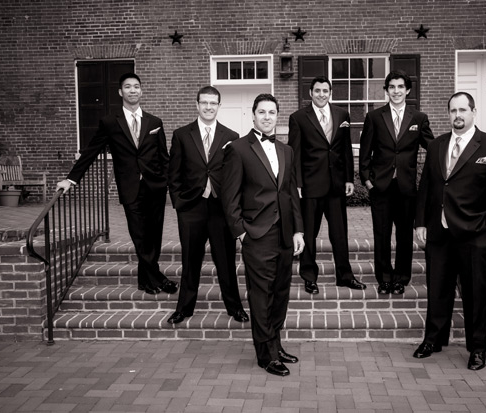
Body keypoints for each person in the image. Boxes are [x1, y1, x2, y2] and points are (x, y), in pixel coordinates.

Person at [413, 92, 486, 370]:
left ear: (473, 112)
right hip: (439, 233)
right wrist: (421, 222)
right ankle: (433, 339)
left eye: (463, 110)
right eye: (453, 110)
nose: (458, 115)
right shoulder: (436, 146)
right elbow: (427, 187)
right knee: (438, 290)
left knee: (475, 295)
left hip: (474, 234)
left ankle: (477, 349)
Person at [57, 73, 177, 296]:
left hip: (155, 187)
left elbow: (164, 156)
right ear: (121, 92)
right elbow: (91, 151)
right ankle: (158, 276)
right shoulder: (110, 122)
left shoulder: (155, 122)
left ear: (141, 91)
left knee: (154, 235)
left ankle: (146, 281)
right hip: (130, 187)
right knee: (139, 234)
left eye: (136, 87)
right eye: (128, 87)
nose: (133, 90)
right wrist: (71, 179)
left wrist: (168, 182)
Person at [221, 94, 304, 377]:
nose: (267, 117)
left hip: (284, 234)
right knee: (261, 296)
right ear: (253, 115)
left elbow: (291, 193)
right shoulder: (238, 149)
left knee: (280, 293)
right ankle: (265, 355)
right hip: (257, 234)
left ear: (277, 116)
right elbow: (229, 197)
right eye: (262, 112)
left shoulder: (287, 150)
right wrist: (241, 232)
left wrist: (298, 230)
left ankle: (276, 344)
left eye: (272, 112)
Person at [166, 86, 249, 325]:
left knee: (226, 261)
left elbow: (236, 176)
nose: (209, 107)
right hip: (191, 208)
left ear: (219, 106)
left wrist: (235, 208)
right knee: (190, 261)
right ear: (197, 104)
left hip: (221, 210)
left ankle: (235, 308)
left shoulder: (231, 136)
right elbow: (174, 173)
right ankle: (184, 308)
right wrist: (179, 203)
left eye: (213, 103)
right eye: (204, 103)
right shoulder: (182, 135)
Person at [288, 76, 365, 294]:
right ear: (310, 93)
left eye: (325, 90)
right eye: (318, 90)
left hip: (336, 185)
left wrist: (349, 178)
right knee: (309, 234)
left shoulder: (342, 114)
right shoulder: (299, 118)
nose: (322, 94)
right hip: (311, 186)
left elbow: (346, 149)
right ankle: (309, 276)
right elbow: (295, 154)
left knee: (340, 233)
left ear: (330, 92)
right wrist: (298, 184)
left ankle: (345, 276)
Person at [359, 70, 434, 295]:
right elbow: (365, 153)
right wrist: (367, 180)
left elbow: (433, 148)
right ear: (386, 90)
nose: (396, 91)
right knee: (381, 234)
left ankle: (401, 277)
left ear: (407, 90)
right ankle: (384, 278)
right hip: (381, 186)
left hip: (406, 187)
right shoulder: (374, 117)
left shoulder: (418, 119)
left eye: (400, 87)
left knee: (404, 235)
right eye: (392, 87)